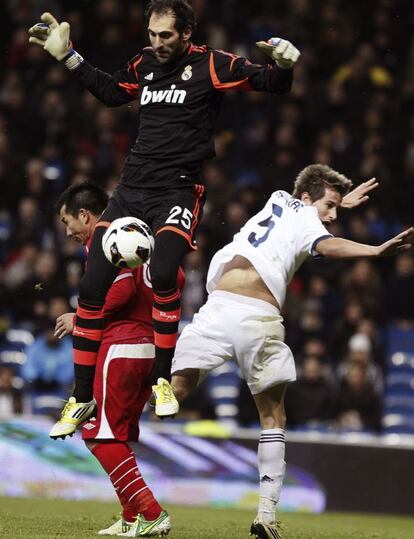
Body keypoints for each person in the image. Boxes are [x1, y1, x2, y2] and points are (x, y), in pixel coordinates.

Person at [27, 0, 300, 424]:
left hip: (177, 190)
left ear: (186, 33)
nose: (156, 43)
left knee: (163, 270)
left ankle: (162, 380)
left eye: (166, 36)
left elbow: (270, 83)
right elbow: (111, 93)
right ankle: (81, 397)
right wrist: (69, 57)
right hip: (131, 190)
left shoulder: (211, 65)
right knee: (93, 282)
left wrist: (283, 67)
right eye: (152, 35)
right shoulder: (145, 63)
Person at [167, 164, 412, 539]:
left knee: (174, 394)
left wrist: (338, 201)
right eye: (330, 208)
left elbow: (307, 203)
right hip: (256, 317)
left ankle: (115, 396)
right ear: (309, 200)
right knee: (273, 418)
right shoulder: (310, 222)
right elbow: (325, 243)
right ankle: (265, 517)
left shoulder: (278, 199)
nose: (332, 217)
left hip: (213, 310)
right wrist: (374, 250)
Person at [52, 181, 173, 536]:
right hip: (146, 345)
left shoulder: (108, 239)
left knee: (96, 433)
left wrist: (81, 316)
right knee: (113, 434)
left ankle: (151, 512)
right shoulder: (133, 232)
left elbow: (123, 287)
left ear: (85, 215)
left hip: (121, 346)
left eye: (66, 221)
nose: (67, 231)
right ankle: (131, 517)